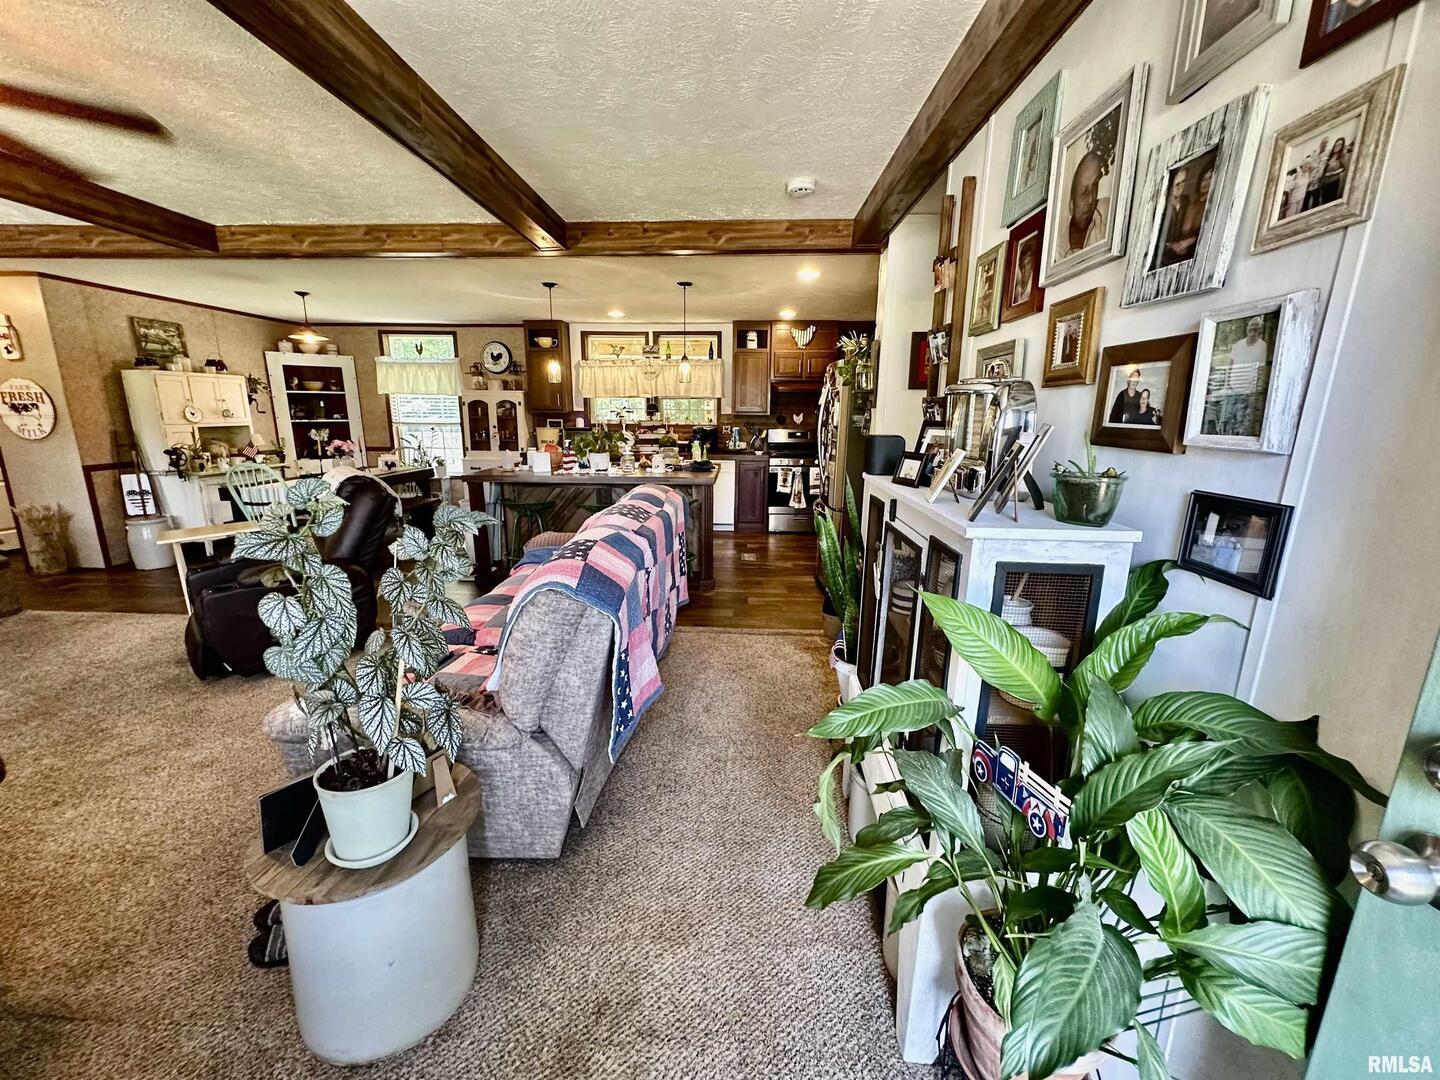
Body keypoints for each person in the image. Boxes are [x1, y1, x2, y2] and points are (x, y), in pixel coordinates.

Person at [1064, 150, 1108, 255]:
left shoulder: (1106, 211)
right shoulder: (1056, 249)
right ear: (1071, 206)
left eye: (1094, 186)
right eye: (1084, 193)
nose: (1091, 199)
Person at [1157, 167, 1192, 267]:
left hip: (1184, 256)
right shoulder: (1162, 206)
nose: (1180, 187)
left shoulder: (1186, 201)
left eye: (1183, 182)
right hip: (1164, 259)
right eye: (1177, 184)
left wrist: (1185, 243)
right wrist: (1171, 245)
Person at [1317, 136, 1350, 206]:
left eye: (1340, 144)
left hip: (1333, 182)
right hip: (1325, 183)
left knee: (1330, 201)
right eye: (1336, 144)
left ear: (1342, 146)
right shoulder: (1330, 156)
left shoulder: (1341, 157)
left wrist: (1333, 173)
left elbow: (1343, 168)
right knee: (1323, 201)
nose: (1337, 146)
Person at [1300, 137, 1330, 212]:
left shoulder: (1326, 155)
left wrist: (1318, 177)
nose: (1324, 144)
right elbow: (1308, 166)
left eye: (1326, 143)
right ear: (1320, 144)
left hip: (1317, 183)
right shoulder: (1314, 154)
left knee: (1315, 203)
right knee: (1305, 203)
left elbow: (1323, 168)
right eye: (1323, 143)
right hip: (1308, 182)